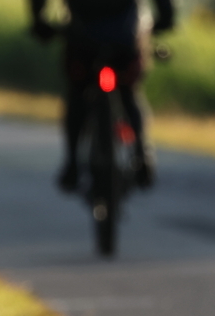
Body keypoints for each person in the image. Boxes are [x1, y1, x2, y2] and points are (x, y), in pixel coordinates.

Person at [29, 0, 175, 192]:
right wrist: (165, 18)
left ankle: (72, 163)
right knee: (129, 94)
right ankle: (142, 156)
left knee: (78, 94)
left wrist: (39, 20)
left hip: (82, 42)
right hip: (125, 41)